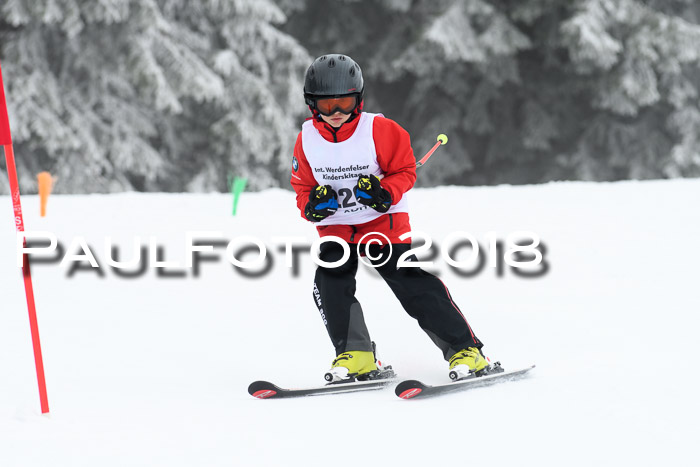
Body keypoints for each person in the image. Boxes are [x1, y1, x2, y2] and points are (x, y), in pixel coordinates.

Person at [290, 53, 489, 382]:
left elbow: (405, 171)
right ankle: (356, 354)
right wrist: (312, 205)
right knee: (329, 281)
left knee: (408, 281)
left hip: (384, 223)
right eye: (327, 106)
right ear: (312, 105)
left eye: (344, 103)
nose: (337, 113)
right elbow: (302, 187)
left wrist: (384, 193)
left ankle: (465, 349)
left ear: (359, 99)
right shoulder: (306, 140)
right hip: (338, 226)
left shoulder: (379, 130)